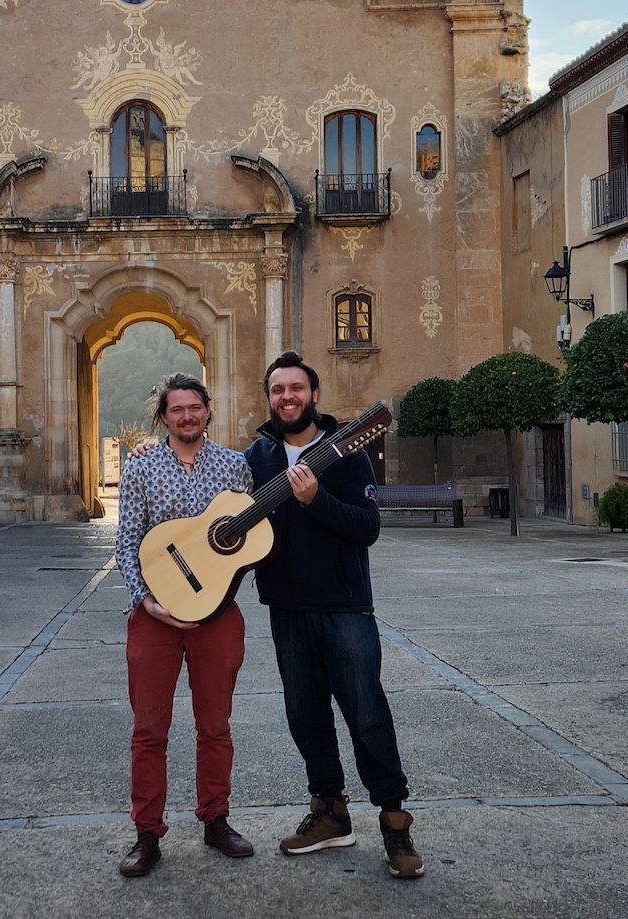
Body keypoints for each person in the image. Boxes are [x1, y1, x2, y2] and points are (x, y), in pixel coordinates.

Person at [243, 351, 423, 879]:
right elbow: (223, 509)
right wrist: (147, 451)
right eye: (278, 390)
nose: (287, 397)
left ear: (314, 395)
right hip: (287, 608)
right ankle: (330, 812)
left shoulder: (348, 452)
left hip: (345, 607)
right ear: (269, 397)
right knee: (306, 716)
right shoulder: (256, 458)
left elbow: (366, 527)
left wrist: (317, 498)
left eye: (296, 388)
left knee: (366, 713)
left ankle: (395, 822)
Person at [114, 372, 256, 878]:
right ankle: (146, 833)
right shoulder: (142, 466)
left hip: (217, 613)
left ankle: (216, 819)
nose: (188, 416)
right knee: (149, 729)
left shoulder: (236, 466)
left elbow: (251, 537)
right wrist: (144, 600)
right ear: (164, 416)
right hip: (154, 617)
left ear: (208, 411)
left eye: (195, 407)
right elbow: (127, 541)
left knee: (215, 726)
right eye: (178, 409)